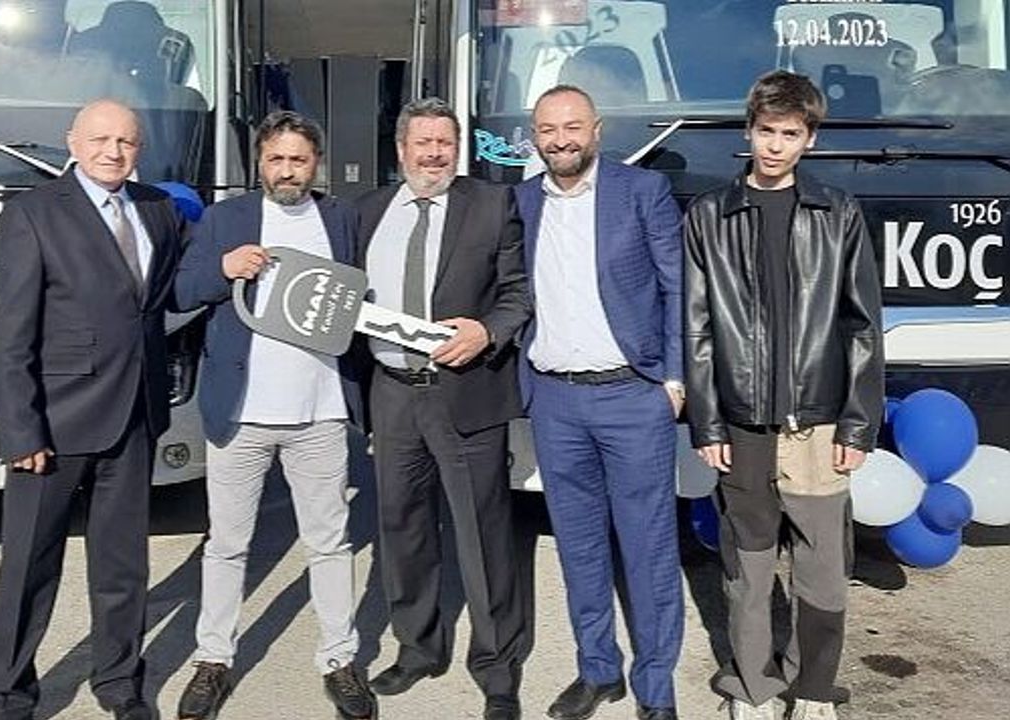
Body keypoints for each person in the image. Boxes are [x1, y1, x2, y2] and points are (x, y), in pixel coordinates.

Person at [683, 70, 884, 720]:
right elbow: (697, 328)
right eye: (766, 131)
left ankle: (814, 688)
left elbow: (862, 325)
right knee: (748, 567)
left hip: (818, 425)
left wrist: (857, 425)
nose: (775, 146)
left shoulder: (838, 213)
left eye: (789, 134)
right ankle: (754, 687)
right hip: (741, 426)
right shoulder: (709, 216)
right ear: (749, 131)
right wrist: (708, 423)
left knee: (822, 571)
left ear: (810, 139)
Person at [0, 99, 183, 720]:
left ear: (139, 148)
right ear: (72, 142)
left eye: (126, 141)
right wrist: (20, 431)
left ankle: (120, 684)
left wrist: (232, 263)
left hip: (134, 415)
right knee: (28, 567)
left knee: (123, 568)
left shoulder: (158, 208)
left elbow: (172, 291)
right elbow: (9, 335)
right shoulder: (34, 213)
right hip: (54, 425)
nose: (113, 152)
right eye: (100, 139)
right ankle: (7, 694)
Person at [170, 110, 376, 720]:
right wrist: (223, 269)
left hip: (321, 414)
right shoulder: (226, 218)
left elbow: (361, 296)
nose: (287, 171)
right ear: (259, 163)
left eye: (299, 160)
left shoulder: (341, 218)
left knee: (330, 544)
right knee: (226, 546)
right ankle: (213, 660)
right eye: (276, 159)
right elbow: (181, 292)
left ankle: (339, 660)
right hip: (241, 414)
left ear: (318, 164)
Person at [357, 97, 532, 720]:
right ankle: (418, 647)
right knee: (401, 527)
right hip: (392, 393)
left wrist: (488, 331)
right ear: (400, 149)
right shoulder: (368, 210)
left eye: (445, 143)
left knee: (482, 534)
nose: (434, 154)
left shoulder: (491, 203)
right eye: (423, 143)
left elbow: (518, 292)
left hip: (466, 390)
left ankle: (497, 667)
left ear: (457, 148)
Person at [513, 84, 685, 720]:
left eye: (572, 127)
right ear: (535, 137)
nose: (560, 140)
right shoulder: (522, 202)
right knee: (579, 547)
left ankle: (656, 689)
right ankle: (598, 670)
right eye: (548, 129)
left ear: (597, 130)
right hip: (556, 401)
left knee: (648, 549)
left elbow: (678, 288)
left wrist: (674, 380)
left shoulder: (641, 192)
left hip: (632, 397)